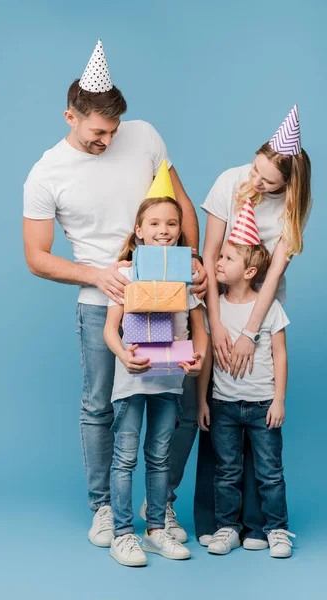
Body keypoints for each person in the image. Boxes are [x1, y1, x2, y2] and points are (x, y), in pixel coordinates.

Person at [22, 39, 206, 546]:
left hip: (171, 295)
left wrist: (197, 261)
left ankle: (159, 503)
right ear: (70, 116)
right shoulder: (45, 174)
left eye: (114, 129)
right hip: (104, 303)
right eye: (98, 132)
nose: (109, 139)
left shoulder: (144, 136)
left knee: (182, 400)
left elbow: (182, 204)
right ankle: (105, 507)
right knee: (100, 406)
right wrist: (96, 275)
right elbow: (36, 256)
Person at [194, 105, 312, 548]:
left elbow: (274, 272)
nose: (257, 181)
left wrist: (249, 332)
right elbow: (209, 255)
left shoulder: (293, 207)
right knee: (221, 409)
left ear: (288, 184)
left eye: (268, 181)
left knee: (257, 408)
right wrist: (217, 322)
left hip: (261, 308)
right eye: (257, 170)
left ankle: (260, 526)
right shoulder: (231, 180)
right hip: (220, 302)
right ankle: (216, 522)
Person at [104, 188, 208, 567]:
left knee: (160, 457)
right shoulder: (127, 273)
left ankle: (155, 531)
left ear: (181, 232)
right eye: (155, 223)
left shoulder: (186, 277)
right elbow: (110, 331)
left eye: (172, 224)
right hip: (132, 383)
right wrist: (122, 355)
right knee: (125, 458)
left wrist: (196, 360)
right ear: (139, 230)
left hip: (168, 382)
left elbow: (200, 331)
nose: (164, 230)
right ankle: (121, 534)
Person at [198, 202, 295, 557]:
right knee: (226, 472)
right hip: (223, 405)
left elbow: (280, 354)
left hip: (261, 405)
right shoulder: (216, 310)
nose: (218, 263)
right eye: (219, 256)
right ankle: (227, 527)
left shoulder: (269, 308)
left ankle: (276, 529)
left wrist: (279, 399)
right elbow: (208, 354)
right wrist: (202, 400)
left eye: (226, 258)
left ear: (251, 270)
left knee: (270, 472)